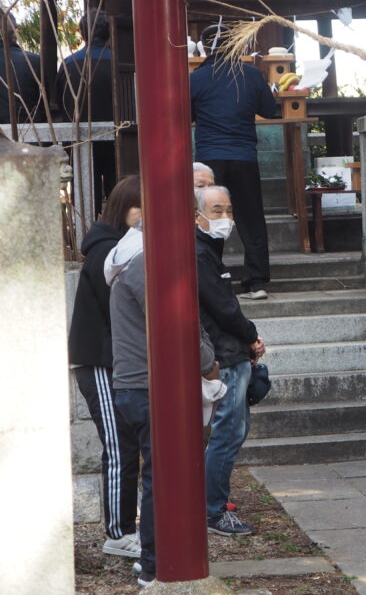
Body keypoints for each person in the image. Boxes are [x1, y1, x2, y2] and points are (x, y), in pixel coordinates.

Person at [108, 203, 219, 587]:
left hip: (134, 384)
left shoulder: (126, 264)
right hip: (149, 386)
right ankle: (156, 564)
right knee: (164, 477)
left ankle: (153, 559)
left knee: (158, 476)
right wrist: (208, 363)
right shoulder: (148, 268)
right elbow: (182, 325)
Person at [67, 175, 143, 560]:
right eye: (139, 208)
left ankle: (125, 525)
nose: (146, 216)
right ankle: (117, 531)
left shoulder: (115, 246)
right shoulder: (108, 252)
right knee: (119, 446)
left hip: (116, 361)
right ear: (123, 208)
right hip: (100, 361)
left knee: (127, 444)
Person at [195, 184, 267, 537]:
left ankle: (212, 501)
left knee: (233, 430)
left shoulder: (209, 248)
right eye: (217, 210)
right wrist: (250, 334)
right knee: (228, 431)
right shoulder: (198, 253)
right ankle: (213, 509)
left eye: (228, 210)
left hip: (229, 348)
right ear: (197, 215)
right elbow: (223, 309)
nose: (226, 218)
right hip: (223, 353)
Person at [190, 24, 277, 300]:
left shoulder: (196, 78)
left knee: (209, 215)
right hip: (244, 156)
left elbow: (185, 114)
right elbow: (270, 110)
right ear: (236, 45)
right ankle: (257, 282)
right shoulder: (251, 75)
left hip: (209, 159)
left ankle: (213, 275)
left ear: (204, 48)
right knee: (251, 218)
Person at [60, 9, 117, 208]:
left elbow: (61, 103)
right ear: (110, 31)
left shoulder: (68, 64)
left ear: (82, 34)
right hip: (118, 141)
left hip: (80, 138)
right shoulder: (120, 63)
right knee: (119, 193)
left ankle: (87, 234)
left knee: (85, 197)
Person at [0, 11, 43, 125]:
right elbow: (43, 103)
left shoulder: (33, 60)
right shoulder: (33, 61)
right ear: (15, 31)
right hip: (29, 135)